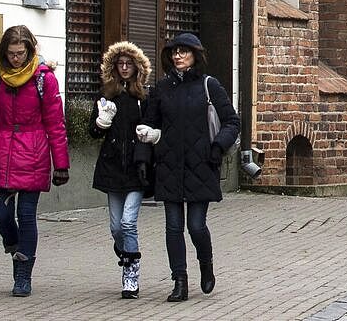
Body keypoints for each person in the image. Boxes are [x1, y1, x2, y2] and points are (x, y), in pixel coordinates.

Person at [137, 33, 240, 302]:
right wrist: (143, 159)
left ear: (195, 54)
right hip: (169, 165)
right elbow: (148, 126)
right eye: (174, 52)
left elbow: (231, 121)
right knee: (173, 226)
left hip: (201, 165)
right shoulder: (161, 88)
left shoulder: (209, 85)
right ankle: (179, 280)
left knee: (196, 225)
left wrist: (218, 146)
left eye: (183, 51)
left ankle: (206, 264)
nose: (177, 56)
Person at [0, 25, 69, 297]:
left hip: (33, 152)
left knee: (26, 216)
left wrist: (61, 164)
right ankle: (16, 249)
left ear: (29, 51)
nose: (16, 58)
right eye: (12, 53)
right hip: (2, 152)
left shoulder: (44, 79)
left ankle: (23, 275)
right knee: (2, 216)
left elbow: (55, 123)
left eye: (21, 53)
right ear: (4, 52)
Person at [91, 41, 152, 299]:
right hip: (112, 167)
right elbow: (92, 133)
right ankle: (124, 250)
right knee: (116, 227)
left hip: (136, 169)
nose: (125, 68)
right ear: (114, 68)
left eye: (129, 64)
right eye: (120, 64)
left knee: (128, 223)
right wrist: (101, 122)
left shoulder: (144, 98)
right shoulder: (107, 95)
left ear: (137, 68)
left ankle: (131, 274)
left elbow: (152, 128)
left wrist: (150, 139)